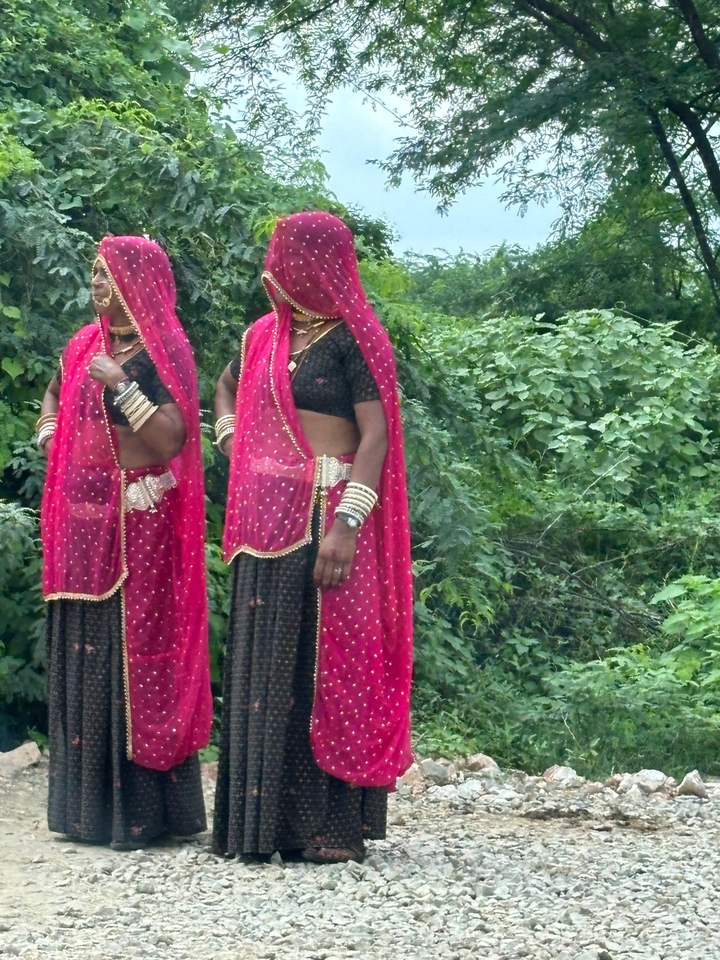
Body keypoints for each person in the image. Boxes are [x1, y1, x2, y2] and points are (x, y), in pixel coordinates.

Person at [212, 211, 413, 863]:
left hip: (329, 518)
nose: (276, 264)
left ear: (319, 261)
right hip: (265, 527)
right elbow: (223, 390)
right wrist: (231, 440)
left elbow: (376, 437)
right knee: (265, 669)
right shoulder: (263, 338)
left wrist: (349, 524)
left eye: (288, 253)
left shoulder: (357, 340)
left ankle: (324, 831)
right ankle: (258, 827)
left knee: (327, 668)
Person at [39, 235, 212, 849]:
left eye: (108, 275)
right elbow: (57, 394)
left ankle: (140, 814)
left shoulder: (164, 349)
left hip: (141, 521)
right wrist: (48, 428)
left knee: (131, 650)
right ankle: (81, 814)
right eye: (92, 274)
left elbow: (172, 441)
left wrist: (120, 385)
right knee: (83, 649)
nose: (97, 285)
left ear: (138, 283)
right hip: (81, 520)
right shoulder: (83, 344)